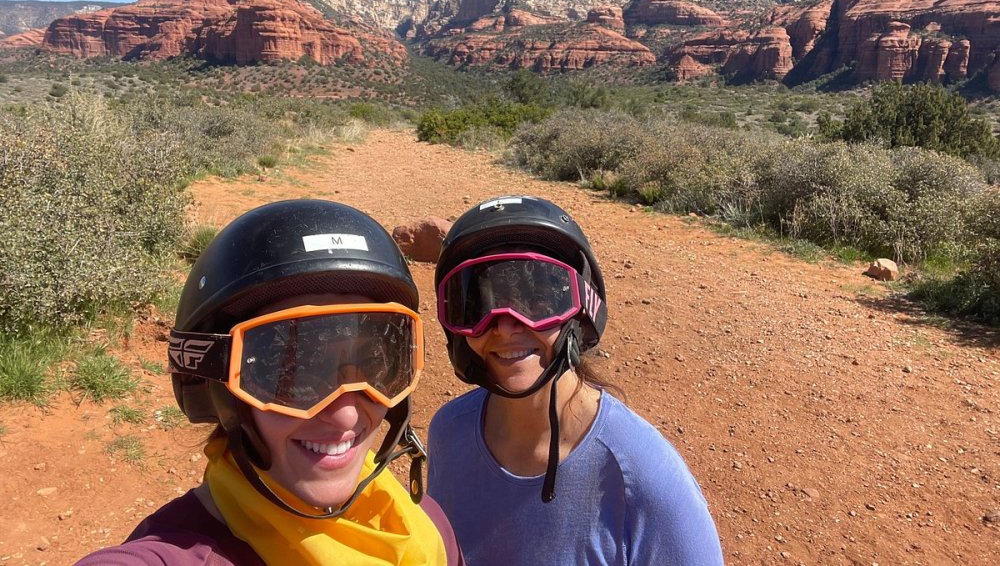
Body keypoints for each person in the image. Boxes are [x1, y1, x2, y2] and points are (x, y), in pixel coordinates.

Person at [77, 199, 464, 565]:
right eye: (294, 371)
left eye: (374, 362)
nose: (347, 416)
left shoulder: (423, 526)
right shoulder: (179, 553)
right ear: (221, 389)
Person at [427, 195, 724, 565]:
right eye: (476, 304)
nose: (504, 326)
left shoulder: (644, 477)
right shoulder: (448, 432)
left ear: (582, 310)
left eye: (537, 299)